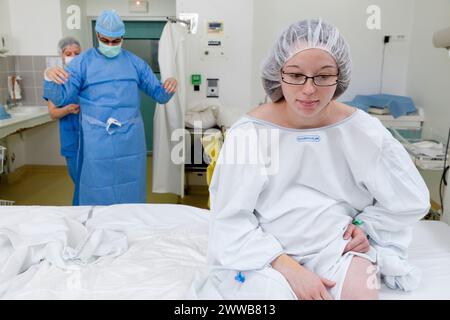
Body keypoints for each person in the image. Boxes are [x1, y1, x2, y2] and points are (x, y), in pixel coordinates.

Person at [191, 19, 430, 300]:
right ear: (278, 74)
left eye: (323, 76)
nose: (308, 89)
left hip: (335, 245)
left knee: (363, 293)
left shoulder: (362, 130)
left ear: (339, 76)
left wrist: (366, 226)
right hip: (266, 249)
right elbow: (230, 220)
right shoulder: (251, 133)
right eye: (295, 75)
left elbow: (410, 197)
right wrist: (291, 269)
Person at [43, 10, 177, 205]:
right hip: (97, 140)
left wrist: (170, 84)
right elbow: (62, 97)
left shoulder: (134, 63)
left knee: (131, 185)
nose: (111, 45)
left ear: (122, 37)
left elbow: (160, 94)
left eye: (116, 41)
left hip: (130, 139)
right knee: (98, 188)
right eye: (107, 40)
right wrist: (49, 76)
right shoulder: (82, 63)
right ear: (98, 36)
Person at [46, 37, 82, 205]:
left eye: (77, 53)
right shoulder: (55, 78)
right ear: (61, 55)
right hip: (71, 140)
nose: (73, 56)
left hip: (92, 138)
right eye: (68, 54)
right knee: (80, 184)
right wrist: (68, 109)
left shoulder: (86, 76)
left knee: (92, 184)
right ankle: (80, 220)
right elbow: (53, 113)